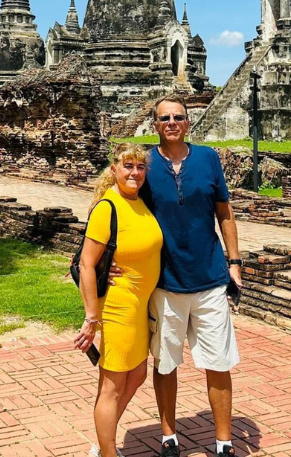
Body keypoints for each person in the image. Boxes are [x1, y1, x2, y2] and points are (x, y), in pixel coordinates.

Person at [144, 96, 242, 457]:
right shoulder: (144, 164)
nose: (171, 122)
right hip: (165, 280)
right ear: (155, 124)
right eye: (164, 117)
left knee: (218, 362)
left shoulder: (208, 158)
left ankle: (223, 441)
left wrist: (234, 262)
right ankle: (169, 435)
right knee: (165, 362)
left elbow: (224, 212)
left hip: (209, 277)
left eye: (178, 117)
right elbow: (117, 209)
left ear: (189, 122)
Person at [75, 143, 164, 457]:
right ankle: (108, 452)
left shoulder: (140, 202)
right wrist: (91, 317)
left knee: (137, 374)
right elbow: (86, 263)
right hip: (118, 306)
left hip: (141, 306)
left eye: (140, 167)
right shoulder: (107, 207)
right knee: (111, 385)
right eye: (128, 166)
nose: (135, 173)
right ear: (113, 169)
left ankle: (104, 438)